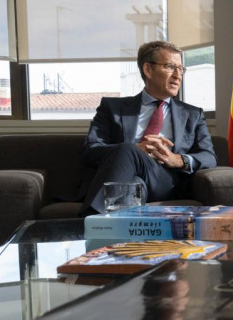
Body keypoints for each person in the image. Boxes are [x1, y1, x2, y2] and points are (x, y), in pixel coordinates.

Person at [78, 41, 217, 216]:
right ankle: (118, 232)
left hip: (166, 180)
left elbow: (209, 156)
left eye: (181, 69)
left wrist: (177, 159)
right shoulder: (112, 108)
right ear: (148, 70)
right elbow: (90, 152)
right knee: (133, 182)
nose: (178, 75)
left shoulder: (192, 114)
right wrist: (135, 151)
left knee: (128, 150)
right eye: (170, 67)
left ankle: (88, 220)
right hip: (126, 179)